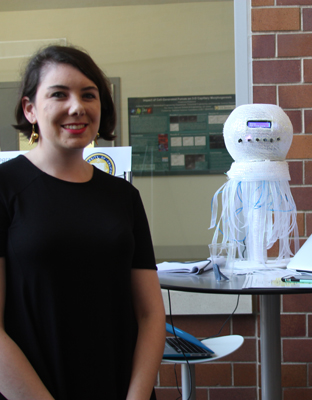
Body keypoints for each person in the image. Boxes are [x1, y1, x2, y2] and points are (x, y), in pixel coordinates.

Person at [0, 45, 166, 400]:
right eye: (59, 94)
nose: (77, 106)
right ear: (30, 109)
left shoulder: (123, 196)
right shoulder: (5, 188)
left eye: (88, 95)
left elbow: (151, 315)